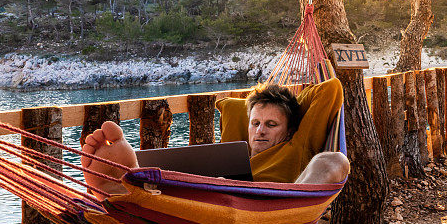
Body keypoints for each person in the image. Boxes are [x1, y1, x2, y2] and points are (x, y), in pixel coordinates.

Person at [80, 82, 349, 197]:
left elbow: (331, 89)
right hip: (215, 201)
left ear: (290, 130)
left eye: (271, 124)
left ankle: (126, 188)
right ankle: (122, 186)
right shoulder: (231, 155)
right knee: (174, 179)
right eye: (254, 123)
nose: (260, 131)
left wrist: (287, 104)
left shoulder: (296, 145)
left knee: (334, 160)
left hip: (273, 208)